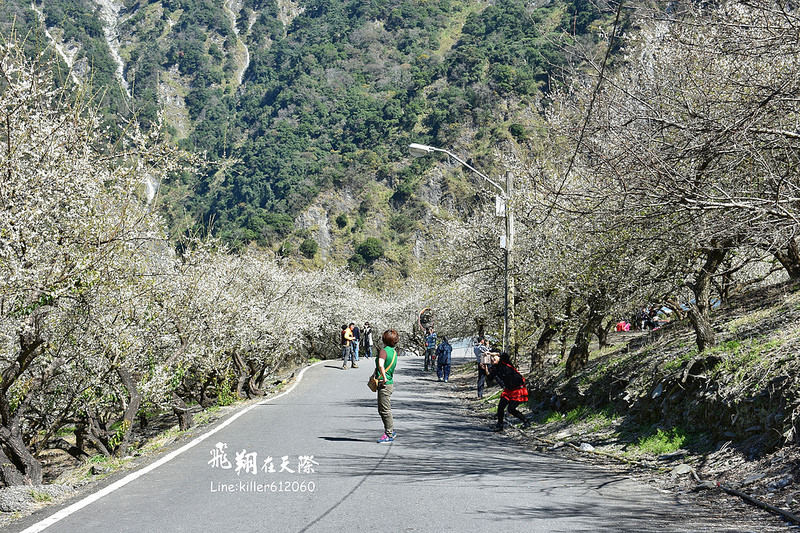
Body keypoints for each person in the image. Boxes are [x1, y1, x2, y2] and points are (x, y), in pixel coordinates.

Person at [485, 351, 529, 432]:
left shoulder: (505, 362)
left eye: (493, 357)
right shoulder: (495, 368)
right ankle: (499, 425)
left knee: (511, 409)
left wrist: (490, 353)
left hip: (518, 389)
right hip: (508, 390)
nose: (492, 359)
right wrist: (485, 369)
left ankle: (526, 421)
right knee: (501, 407)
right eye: (490, 358)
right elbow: (490, 378)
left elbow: (504, 354)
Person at [376, 329, 400, 443]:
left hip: (385, 384)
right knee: (382, 409)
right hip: (390, 384)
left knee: (385, 410)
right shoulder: (394, 352)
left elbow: (381, 365)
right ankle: (390, 431)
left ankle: (389, 434)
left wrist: (384, 378)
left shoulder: (383, 351)